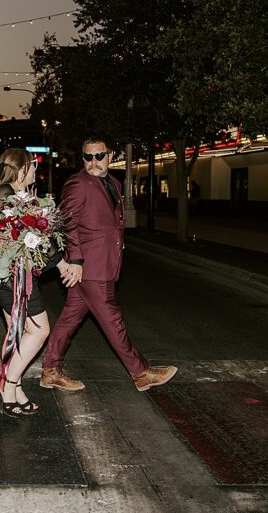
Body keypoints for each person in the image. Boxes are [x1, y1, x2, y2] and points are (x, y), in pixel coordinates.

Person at [41, 138, 178, 392]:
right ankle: (141, 372)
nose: (93, 162)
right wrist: (77, 259)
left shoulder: (113, 182)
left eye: (99, 156)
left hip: (105, 261)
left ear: (110, 156)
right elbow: (67, 223)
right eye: (87, 157)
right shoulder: (77, 184)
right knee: (113, 320)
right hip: (91, 266)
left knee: (71, 317)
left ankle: (50, 369)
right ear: (82, 158)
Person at [0, 148, 78, 418]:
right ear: (20, 170)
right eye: (32, 166)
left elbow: (31, 231)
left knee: (17, 332)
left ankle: (13, 387)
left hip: (12, 274)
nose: (35, 170)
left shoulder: (16, 194)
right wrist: (59, 260)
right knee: (40, 331)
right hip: (7, 276)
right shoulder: (4, 191)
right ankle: (7, 387)